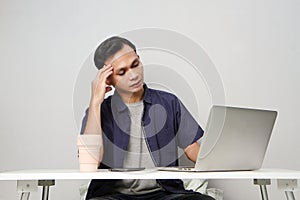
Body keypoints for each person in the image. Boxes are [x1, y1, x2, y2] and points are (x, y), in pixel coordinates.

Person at [80, 36, 215, 200]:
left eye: (135, 65)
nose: (133, 75)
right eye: (122, 72)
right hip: (114, 196)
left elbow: (192, 149)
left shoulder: (169, 102)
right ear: (108, 79)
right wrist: (95, 101)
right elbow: (88, 163)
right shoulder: (99, 112)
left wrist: (225, 161)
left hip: (163, 194)